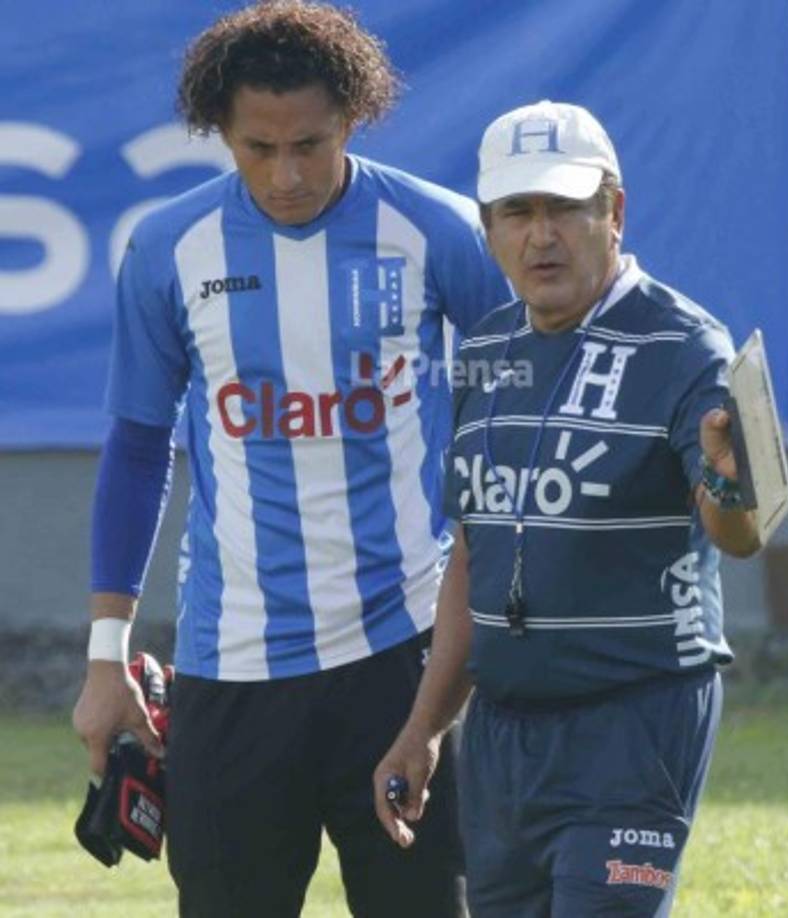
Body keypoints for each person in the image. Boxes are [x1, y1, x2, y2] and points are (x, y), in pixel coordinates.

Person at [71, 3, 509, 915]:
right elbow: (139, 446)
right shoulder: (166, 248)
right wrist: (106, 658)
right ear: (219, 133)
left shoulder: (439, 231)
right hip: (227, 672)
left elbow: (528, 383)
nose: (286, 174)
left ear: (352, 116)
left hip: (405, 664)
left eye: (309, 144)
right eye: (256, 148)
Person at [374, 99, 761, 917]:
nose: (539, 235)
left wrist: (728, 482)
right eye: (517, 211)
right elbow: (472, 559)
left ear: (612, 212)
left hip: (634, 720)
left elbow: (737, 532)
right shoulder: (482, 350)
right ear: (487, 228)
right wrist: (424, 728)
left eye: (563, 208)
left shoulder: (686, 346)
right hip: (503, 735)